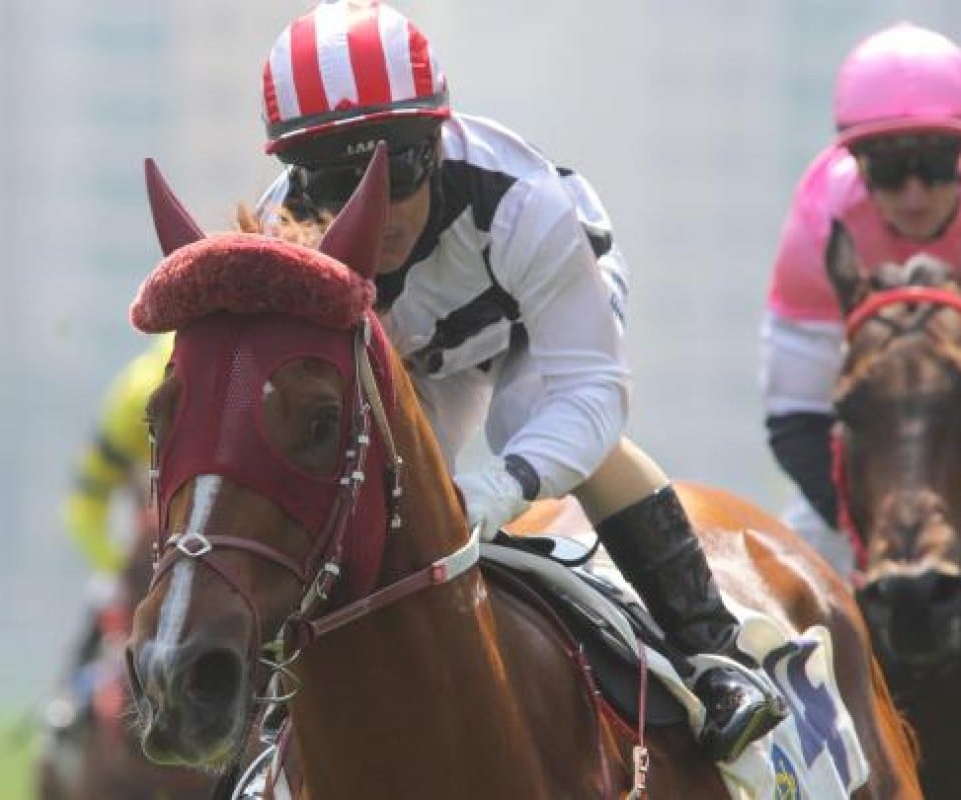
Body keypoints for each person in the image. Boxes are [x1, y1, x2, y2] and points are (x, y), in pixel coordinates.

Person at [249, 0, 786, 762]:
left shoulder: (522, 204)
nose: (374, 207)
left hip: (530, 318)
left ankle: (714, 653)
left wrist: (504, 488)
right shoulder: (290, 233)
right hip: (419, 351)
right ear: (298, 176)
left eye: (395, 166)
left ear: (436, 136)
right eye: (338, 179)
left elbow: (593, 394)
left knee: (529, 417)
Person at [761, 21, 961, 613]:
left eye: (932, 164)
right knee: (805, 544)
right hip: (881, 391)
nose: (912, 194)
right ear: (853, 163)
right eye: (886, 169)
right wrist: (860, 515)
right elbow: (795, 416)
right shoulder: (818, 225)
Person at [53, 333, 173, 713]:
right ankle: (70, 707)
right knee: (103, 597)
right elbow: (85, 503)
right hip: (144, 540)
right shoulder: (136, 395)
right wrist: (117, 567)